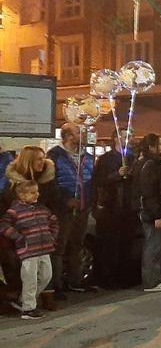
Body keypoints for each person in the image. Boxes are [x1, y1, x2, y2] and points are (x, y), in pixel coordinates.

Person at [46, 123, 95, 298]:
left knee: (77, 245)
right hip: (62, 210)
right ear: (68, 136)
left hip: (82, 208)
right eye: (78, 131)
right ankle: (55, 286)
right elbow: (50, 184)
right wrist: (64, 201)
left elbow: (92, 182)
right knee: (58, 248)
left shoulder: (87, 157)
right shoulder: (54, 156)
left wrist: (90, 201)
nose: (82, 134)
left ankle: (76, 281)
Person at [0, 180, 58, 320]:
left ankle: (24, 299)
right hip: (28, 250)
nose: (36, 194)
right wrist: (19, 238)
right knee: (30, 278)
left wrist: (52, 236)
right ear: (21, 194)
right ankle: (29, 308)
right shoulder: (14, 211)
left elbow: (53, 221)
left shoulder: (42, 209)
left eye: (37, 191)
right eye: (32, 192)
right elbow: (3, 226)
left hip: (44, 248)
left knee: (46, 276)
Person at [92, 130, 136, 289]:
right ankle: (107, 278)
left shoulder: (133, 158)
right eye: (125, 136)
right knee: (109, 245)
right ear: (116, 138)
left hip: (128, 208)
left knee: (126, 245)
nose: (128, 139)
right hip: (111, 208)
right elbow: (99, 182)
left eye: (130, 136)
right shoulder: (106, 159)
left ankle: (124, 277)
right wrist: (116, 175)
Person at [132, 133, 161, 293]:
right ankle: (151, 282)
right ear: (152, 147)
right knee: (153, 246)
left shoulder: (143, 163)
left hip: (148, 210)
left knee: (154, 245)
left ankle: (155, 278)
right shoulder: (149, 165)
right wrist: (157, 214)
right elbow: (150, 192)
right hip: (151, 212)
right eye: (160, 144)